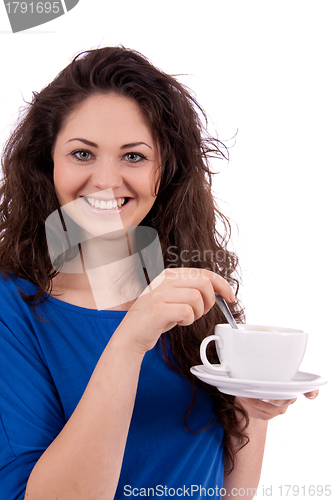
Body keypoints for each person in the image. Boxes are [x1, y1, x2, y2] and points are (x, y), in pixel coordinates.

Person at [0, 47, 318, 500]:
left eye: (133, 157)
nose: (106, 180)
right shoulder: (13, 311)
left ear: (163, 171)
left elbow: (229, 493)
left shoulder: (190, 291)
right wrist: (131, 339)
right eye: (82, 153)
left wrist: (253, 413)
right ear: (47, 162)